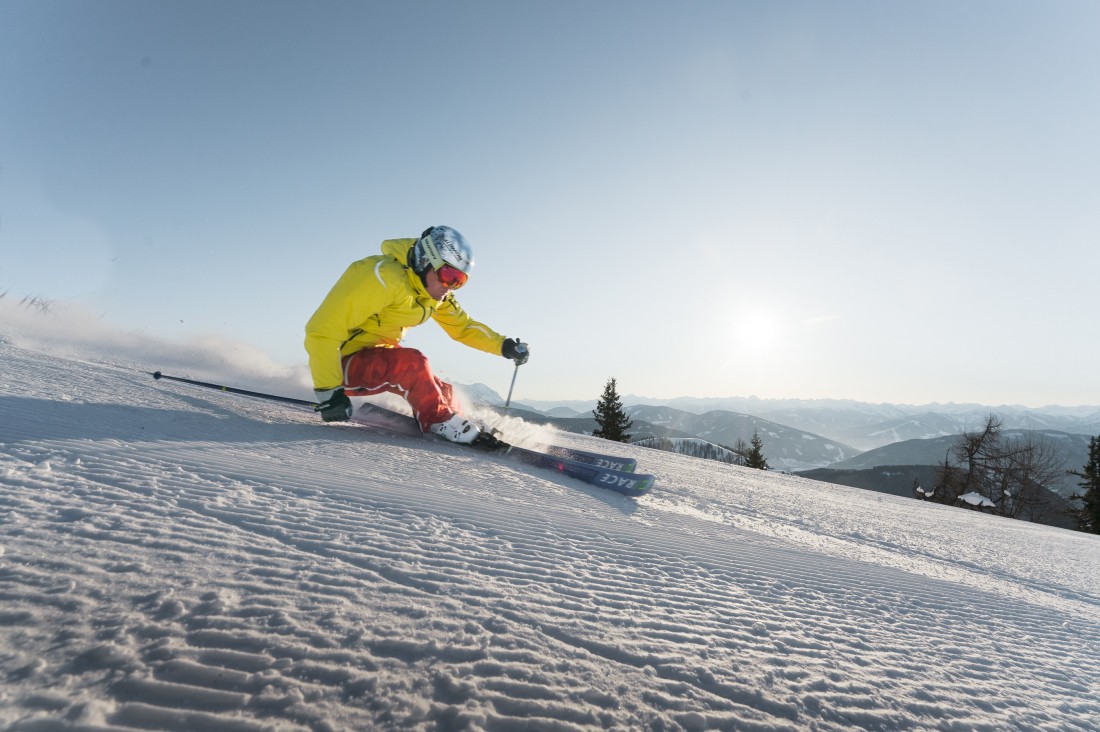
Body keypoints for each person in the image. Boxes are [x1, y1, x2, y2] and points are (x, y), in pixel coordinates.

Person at [304, 226, 529, 446]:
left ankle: (454, 420)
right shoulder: (380, 277)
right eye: (448, 275)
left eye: (459, 280)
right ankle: (439, 422)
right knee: (414, 364)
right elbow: (322, 330)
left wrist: (503, 346)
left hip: (376, 357)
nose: (450, 287)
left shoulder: (433, 292)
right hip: (339, 363)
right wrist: (328, 392)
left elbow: (463, 327)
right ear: (425, 260)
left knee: (442, 390)